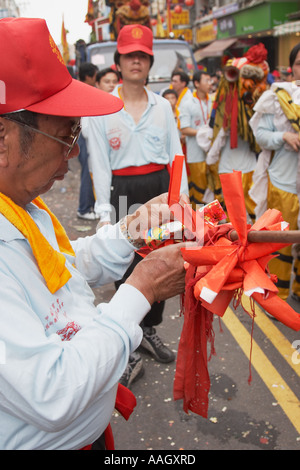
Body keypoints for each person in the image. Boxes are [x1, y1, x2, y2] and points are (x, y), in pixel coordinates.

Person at [0, 17, 189, 450]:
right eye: (67, 137)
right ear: (3, 137)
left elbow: (60, 270)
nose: (73, 160)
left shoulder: (23, 208)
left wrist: (129, 232)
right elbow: (54, 393)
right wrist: (140, 289)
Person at [83, 24, 188, 388]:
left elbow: (177, 155)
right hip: (122, 192)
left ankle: (148, 330)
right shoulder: (104, 109)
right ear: (119, 60)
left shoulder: (163, 107)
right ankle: (125, 344)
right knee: (123, 267)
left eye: (142, 55)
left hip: (158, 189)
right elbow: (97, 162)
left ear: (149, 62)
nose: (136, 61)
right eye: (130, 55)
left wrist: (182, 203)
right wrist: (103, 212)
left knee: (160, 264)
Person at [249, 42, 300, 303]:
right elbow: (260, 135)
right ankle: (275, 296)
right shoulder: (276, 96)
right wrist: (284, 136)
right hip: (284, 182)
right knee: (281, 241)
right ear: (291, 68)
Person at [179, 70, 213, 208]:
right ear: (197, 83)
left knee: (213, 188)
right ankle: (198, 224)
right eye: (206, 80)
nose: (209, 84)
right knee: (199, 189)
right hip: (195, 154)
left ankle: (214, 223)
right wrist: (202, 133)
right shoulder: (187, 103)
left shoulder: (212, 100)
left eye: (210, 80)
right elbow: (184, 128)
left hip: (212, 154)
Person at [77, 62, 99, 220]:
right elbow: (85, 124)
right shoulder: (85, 92)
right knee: (87, 172)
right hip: (85, 138)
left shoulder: (78, 89)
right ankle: (84, 209)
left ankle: (89, 206)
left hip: (82, 137)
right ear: (89, 77)